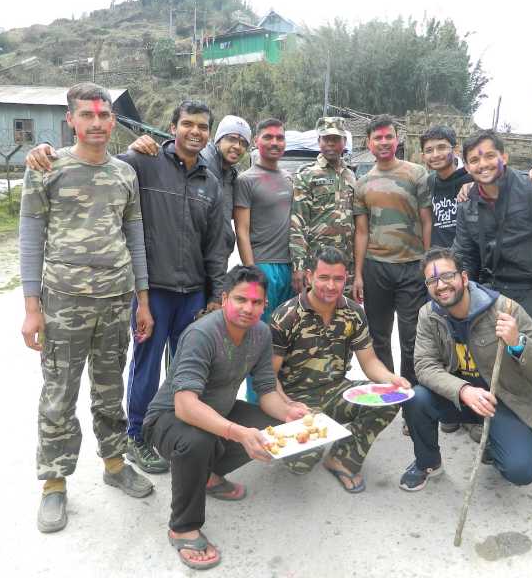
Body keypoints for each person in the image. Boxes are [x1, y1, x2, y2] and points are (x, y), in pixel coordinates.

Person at [24, 101, 226, 475]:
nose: (194, 131)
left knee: (187, 370)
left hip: (192, 291)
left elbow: (215, 245)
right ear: (172, 127)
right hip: (150, 289)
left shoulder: (209, 183)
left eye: (202, 126)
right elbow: (95, 162)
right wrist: (42, 150)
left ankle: (175, 436)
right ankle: (135, 437)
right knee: (142, 370)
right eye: (187, 124)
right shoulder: (143, 164)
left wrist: (215, 295)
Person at [19, 82, 155, 533]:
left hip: (116, 300)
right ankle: (54, 484)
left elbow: (134, 235)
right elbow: (30, 238)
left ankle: (115, 465)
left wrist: (143, 299)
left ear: (113, 121)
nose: (97, 123)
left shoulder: (124, 174)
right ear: (71, 120)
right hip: (64, 301)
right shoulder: (47, 167)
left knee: (109, 388)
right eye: (87, 115)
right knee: (59, 394)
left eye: (104, 115)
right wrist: (32, 307)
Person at [142, 265, 308, 570]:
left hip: (219, 411)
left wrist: (289, 412)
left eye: (256, 302)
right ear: (224, 298)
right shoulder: (201, 334)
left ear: (264, 304)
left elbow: (267, 390)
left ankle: (205, 475)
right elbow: (185, 406)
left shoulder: (260, 333)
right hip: (167, 420)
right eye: (240, 299)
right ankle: (183, 527)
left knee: (273, 429)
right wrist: (237, 432)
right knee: (197, 440)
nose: (248, 308)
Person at [453, 130, 532, 491]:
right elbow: (464, 254)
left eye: (488, 155)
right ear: (467, 166)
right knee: (497, 373)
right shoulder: (468, 203)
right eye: (474, 159)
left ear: (504, 157)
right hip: (493, 296)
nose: (483, 164)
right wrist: (466, 294)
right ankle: (503, 440)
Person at [399, 248, 532, 491]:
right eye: (432, 280)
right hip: (459, 398)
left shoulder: (505, 308)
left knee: (521, 471)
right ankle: (428, 463)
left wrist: (518, 343)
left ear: (464, 278)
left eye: (447, 276)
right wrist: (463, 390)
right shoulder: (428, 315)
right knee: (415, 397)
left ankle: (495, 444)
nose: (440, 285)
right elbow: (424, 366)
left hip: (502, 401)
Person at [270, 246, 410, 492]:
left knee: (390, 398)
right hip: (297, 399)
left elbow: (369, 362)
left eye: (338, 278)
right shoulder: (286, 316)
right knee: (300, 464)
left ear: (346, 278)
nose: (331, 286)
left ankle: (342, 460)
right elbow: (268, 377)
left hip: (338, 390)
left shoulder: (353, 312)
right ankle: (307, 437)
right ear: (310, 276)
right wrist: (287, 407)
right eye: (324, 277)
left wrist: (392, 378)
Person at [352, 114, 433, 388]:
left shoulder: (416, 173)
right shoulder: (361, 183)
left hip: (412, 267)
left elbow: (426, 220)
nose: (384, 142)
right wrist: (359, 274)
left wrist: (427, 262)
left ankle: (412, 395)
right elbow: (361, 231)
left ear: (397, 140)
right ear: (369, 143)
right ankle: (388, 393)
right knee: (378, 336)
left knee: (412, 336)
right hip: (376, 268)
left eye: (389, 136)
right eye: (378, 138)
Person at [127, 114, 252, 263]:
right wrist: (134, 152)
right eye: (231, 139)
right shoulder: (197, 163)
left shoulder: (233, 177)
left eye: (243, 143)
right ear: (218, 139)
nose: (237, 146)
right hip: (187, 262)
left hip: (215, 262)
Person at [234, 118, 295, 403]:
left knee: (287, 339)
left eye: (279, 138)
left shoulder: (289, 179)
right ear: (257, 141)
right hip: (264, 266)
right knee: (260, 339)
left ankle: (283, 401)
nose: (274, 143)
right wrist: (253, 274)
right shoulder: (246, 180)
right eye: (268, 137)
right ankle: (256, 404)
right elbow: (242, 231)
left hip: (291, 268)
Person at [290, 117, 357, 294]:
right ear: (319, 141)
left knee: (344, 316)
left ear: (344, 142)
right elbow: (298, 223)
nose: (330, 144)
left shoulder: (351, 176)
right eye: (326, 139)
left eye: (336, 139)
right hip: (317, 264)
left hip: (346, 266)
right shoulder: (306, 175)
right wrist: (299, 266)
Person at [420, 125, 473, 249]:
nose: (435, 155)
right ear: (423, 157)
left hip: (468, 259)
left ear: (456, 150)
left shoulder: (472, 178)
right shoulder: (430, 181)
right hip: (440, 259)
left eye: (441, 147)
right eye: (429, 150)